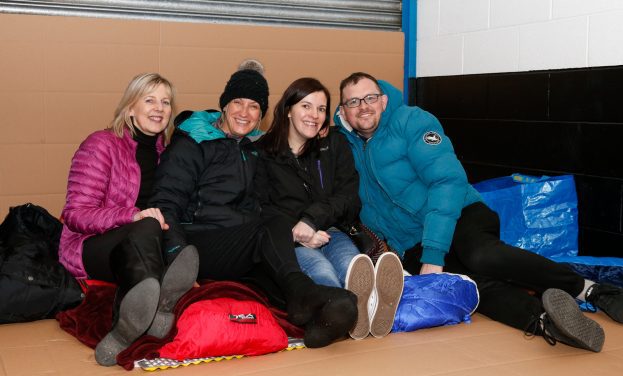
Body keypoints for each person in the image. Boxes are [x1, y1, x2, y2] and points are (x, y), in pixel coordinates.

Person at [334, 72, 623, 352]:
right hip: (410, 242)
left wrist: (434, 254)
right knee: (471, 286)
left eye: (370, 97)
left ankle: (591, 290)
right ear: (343, 112)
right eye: (353, 102)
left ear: (383, 100)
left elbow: (446, 182)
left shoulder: (412, 121)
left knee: (482, 256)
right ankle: (549, 323)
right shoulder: (342, 146)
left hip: (460, 214)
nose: (363, 107)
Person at [148, 61, 357, 348]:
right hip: (197, 242)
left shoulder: (253, 149)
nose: (244, 113)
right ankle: (304, 294)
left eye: (254, 106)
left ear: (262, 115)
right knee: (274, 225)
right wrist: (178, 256)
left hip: (237, 243)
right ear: (224, 105)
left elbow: (278, 171)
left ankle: (316, 314)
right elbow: (165, 202)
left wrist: (322, 128)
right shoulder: (192, 143)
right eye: (237, 102)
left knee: (272, 276)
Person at [59, 73, 199, 366]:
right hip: (91, 246)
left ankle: (146, 311)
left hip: (145, 241)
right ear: (130, 107)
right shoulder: (102, 144)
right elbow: (76, 213)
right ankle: (131, 318)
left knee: (168, 230)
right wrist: (132, 215)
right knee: (148, 223)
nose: (159, 108)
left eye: (165, 102)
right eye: (149, 100)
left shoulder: (168, 155)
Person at [255, 77, 404, 340]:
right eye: (306, 106)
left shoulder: (333, 144)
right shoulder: (263, 153)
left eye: (321, 109)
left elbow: (348, 196)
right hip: (290, 240)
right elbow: (259, 206)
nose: (314, 115)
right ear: (288, 109)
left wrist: (312, 220)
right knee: (323, 274)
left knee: (351, 265)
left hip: (332, 230)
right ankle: (346, 312)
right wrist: (297, 230)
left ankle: (371, 306)